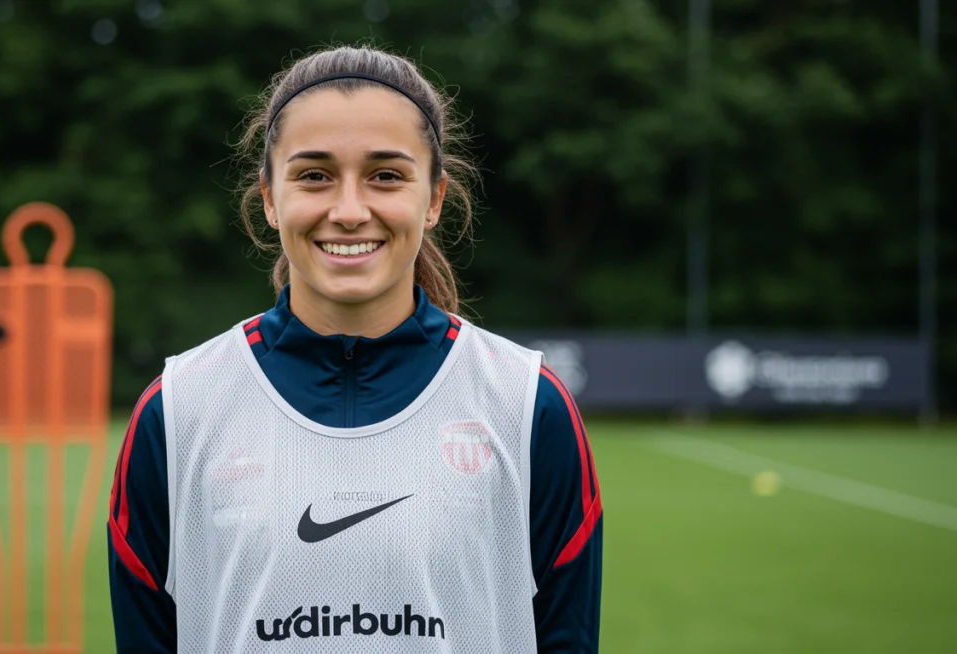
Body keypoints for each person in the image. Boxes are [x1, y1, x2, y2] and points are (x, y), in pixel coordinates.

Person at [107, 44, 602, 653]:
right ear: (269, 197)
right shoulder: (179, 410)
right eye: (314, 175)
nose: (348, 210)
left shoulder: (526, 406)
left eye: (386, 175)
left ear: (434, 198)